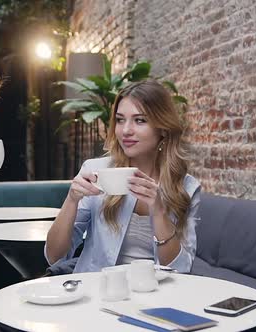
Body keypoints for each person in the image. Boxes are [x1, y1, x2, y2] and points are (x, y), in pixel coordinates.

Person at [45, 79, 201, 274]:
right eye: (120, 120)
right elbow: (54, 256)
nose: (126, 130)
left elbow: (180, 268)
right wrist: (71, 200)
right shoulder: (96, 171)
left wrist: (159, 211)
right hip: (97, 292)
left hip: (153, 294)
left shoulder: (186, 187)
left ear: (163, 128)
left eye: (140, 120)